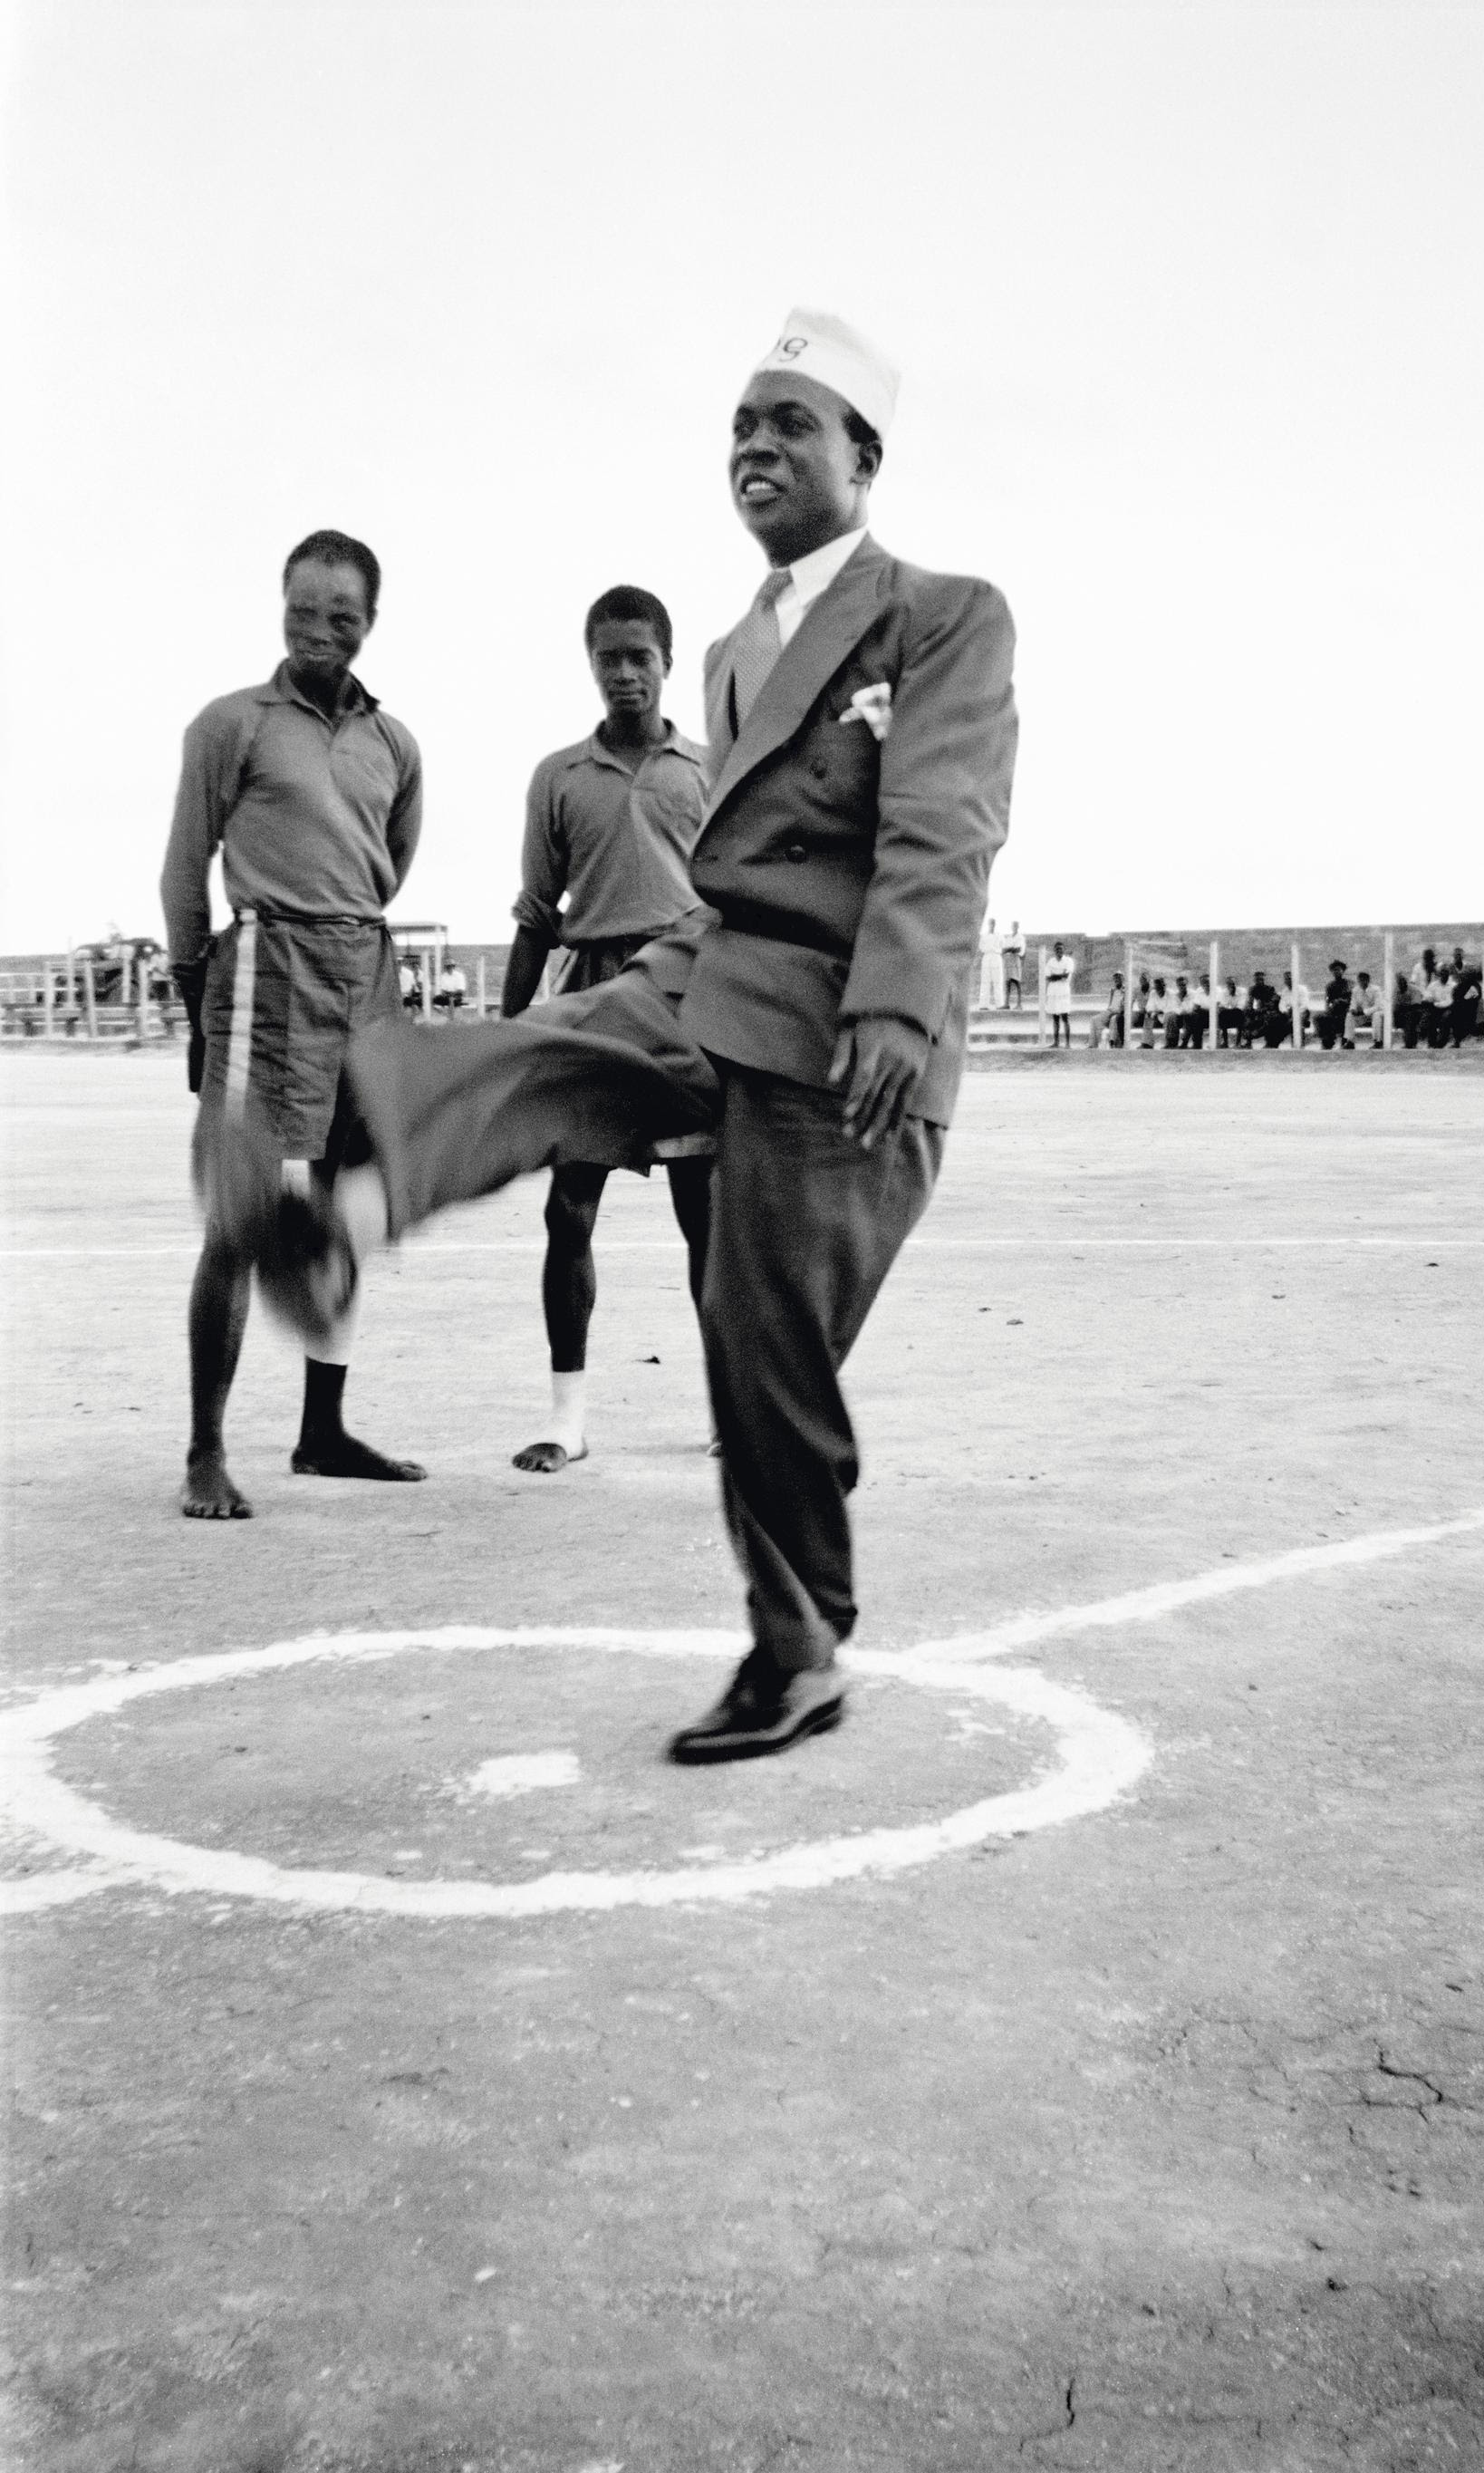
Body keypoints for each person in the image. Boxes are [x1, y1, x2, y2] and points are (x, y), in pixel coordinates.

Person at [211, 307, 1017, 1765]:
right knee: (539, 1046)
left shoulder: (947, 613)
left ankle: (800, 1649)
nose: (755, 447)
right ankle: (345, 1221)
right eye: (740, 428)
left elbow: (941, 831)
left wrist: (904, 1005)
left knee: (759, 1343)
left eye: (791, 424)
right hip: (708, 965)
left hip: (847, 1028)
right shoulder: (729, 649)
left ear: (867, 453)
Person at [159, 528, 426, 1519]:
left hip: (364, 971)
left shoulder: (395, 741)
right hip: (264, 971)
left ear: (370, 622)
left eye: (343, 617)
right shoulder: (230, 724)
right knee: (238, 1217)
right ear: (281, 607)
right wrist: (201, 996)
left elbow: (390, 858)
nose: (322, 632)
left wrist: (351, 935)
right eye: (304, 612)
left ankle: (324, 1432)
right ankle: (205, 1451)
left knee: (345, 1207)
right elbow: (184, 871)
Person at [499, 584, 714, 1473]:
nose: (625, 673)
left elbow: (740, 903)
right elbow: (536, 913)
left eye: (641, 657)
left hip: (682, 1000)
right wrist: (509, 1034)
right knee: (569, 1210)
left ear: (666, 661)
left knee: (705, 1219)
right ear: (591, 663)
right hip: (591, 999)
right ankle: (568, 1419)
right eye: (609, 658)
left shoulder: (708, 768)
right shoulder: (559, 776)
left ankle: (731, 1413)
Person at [1043, 941, 1075, 1047]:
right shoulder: (1051, 961)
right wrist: (1060, 976)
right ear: (1054, 951)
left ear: (1063, 950)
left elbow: (1066, 976)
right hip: (1053, 992)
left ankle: (1068, 1043)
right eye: (1057, 949)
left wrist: (1055, 976)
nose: (1059, 951)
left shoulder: (1068, 961)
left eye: (1061, 949)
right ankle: (1056, 1042)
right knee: (1055, 1018)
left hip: (1064, 991)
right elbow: (1048, 977)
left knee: (1065, 1017)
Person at [1319, 959, 1352, 1049]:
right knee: (1322, 1017)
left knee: (1344, 1018)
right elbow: (1327, 1000)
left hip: (1346, 1009)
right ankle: (1328, 1042)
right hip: (1334, 1009)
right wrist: (1328, 1010)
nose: (1336, 972)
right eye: (1334, 970)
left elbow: (1351, 999)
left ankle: (1345, 1041)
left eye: (1338, 969)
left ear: (1343, 971)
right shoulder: (1330, 985)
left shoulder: (1349, 984)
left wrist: (1341, 1001)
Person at [977, 915, 1001, 1009]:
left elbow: (1002, 946)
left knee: (997, 981)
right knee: (985, 981)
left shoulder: (999, 935)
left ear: (995, 924)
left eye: (993, 923)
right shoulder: (984, 936)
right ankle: (983, 1005)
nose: (992, 925)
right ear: (988, 925)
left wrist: (995, 950)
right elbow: (981, 947)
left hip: (996, 957)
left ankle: (999, 1004)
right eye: (990, 923)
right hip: (987, 957)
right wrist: (988, 949)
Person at [1001, 919, 1026, 1008]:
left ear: (1018, 927)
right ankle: (1006, 1004)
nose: (1014, 927)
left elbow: (1018, 949)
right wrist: (1010, 949)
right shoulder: (1009, 937)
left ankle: (1019, 1004)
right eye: (1013, 926)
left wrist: (1009, 949)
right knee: (1007, 982)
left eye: (1015, 925)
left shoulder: (1020, 937)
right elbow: (1003, 949)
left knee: (1017, 981)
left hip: (1016, 959)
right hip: (1008, 960)